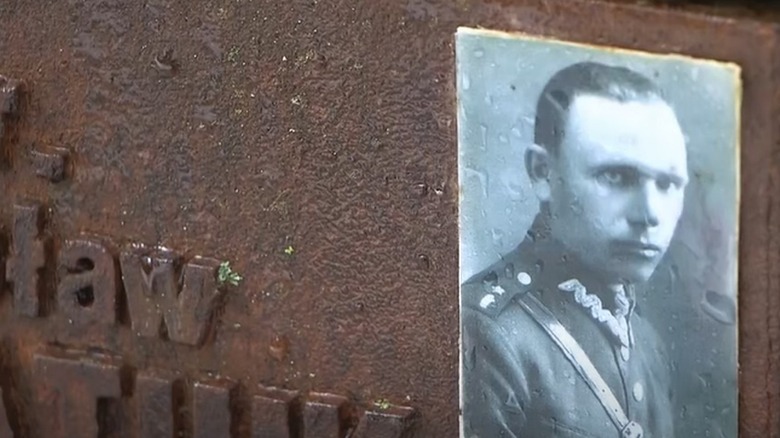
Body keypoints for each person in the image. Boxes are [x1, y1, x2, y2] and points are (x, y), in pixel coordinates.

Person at [461, 61, 688, 438]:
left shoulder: (647, 343)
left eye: (667, 184)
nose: (649, 214)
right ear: (542, 172)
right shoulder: (487, 334)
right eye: (616, 176)